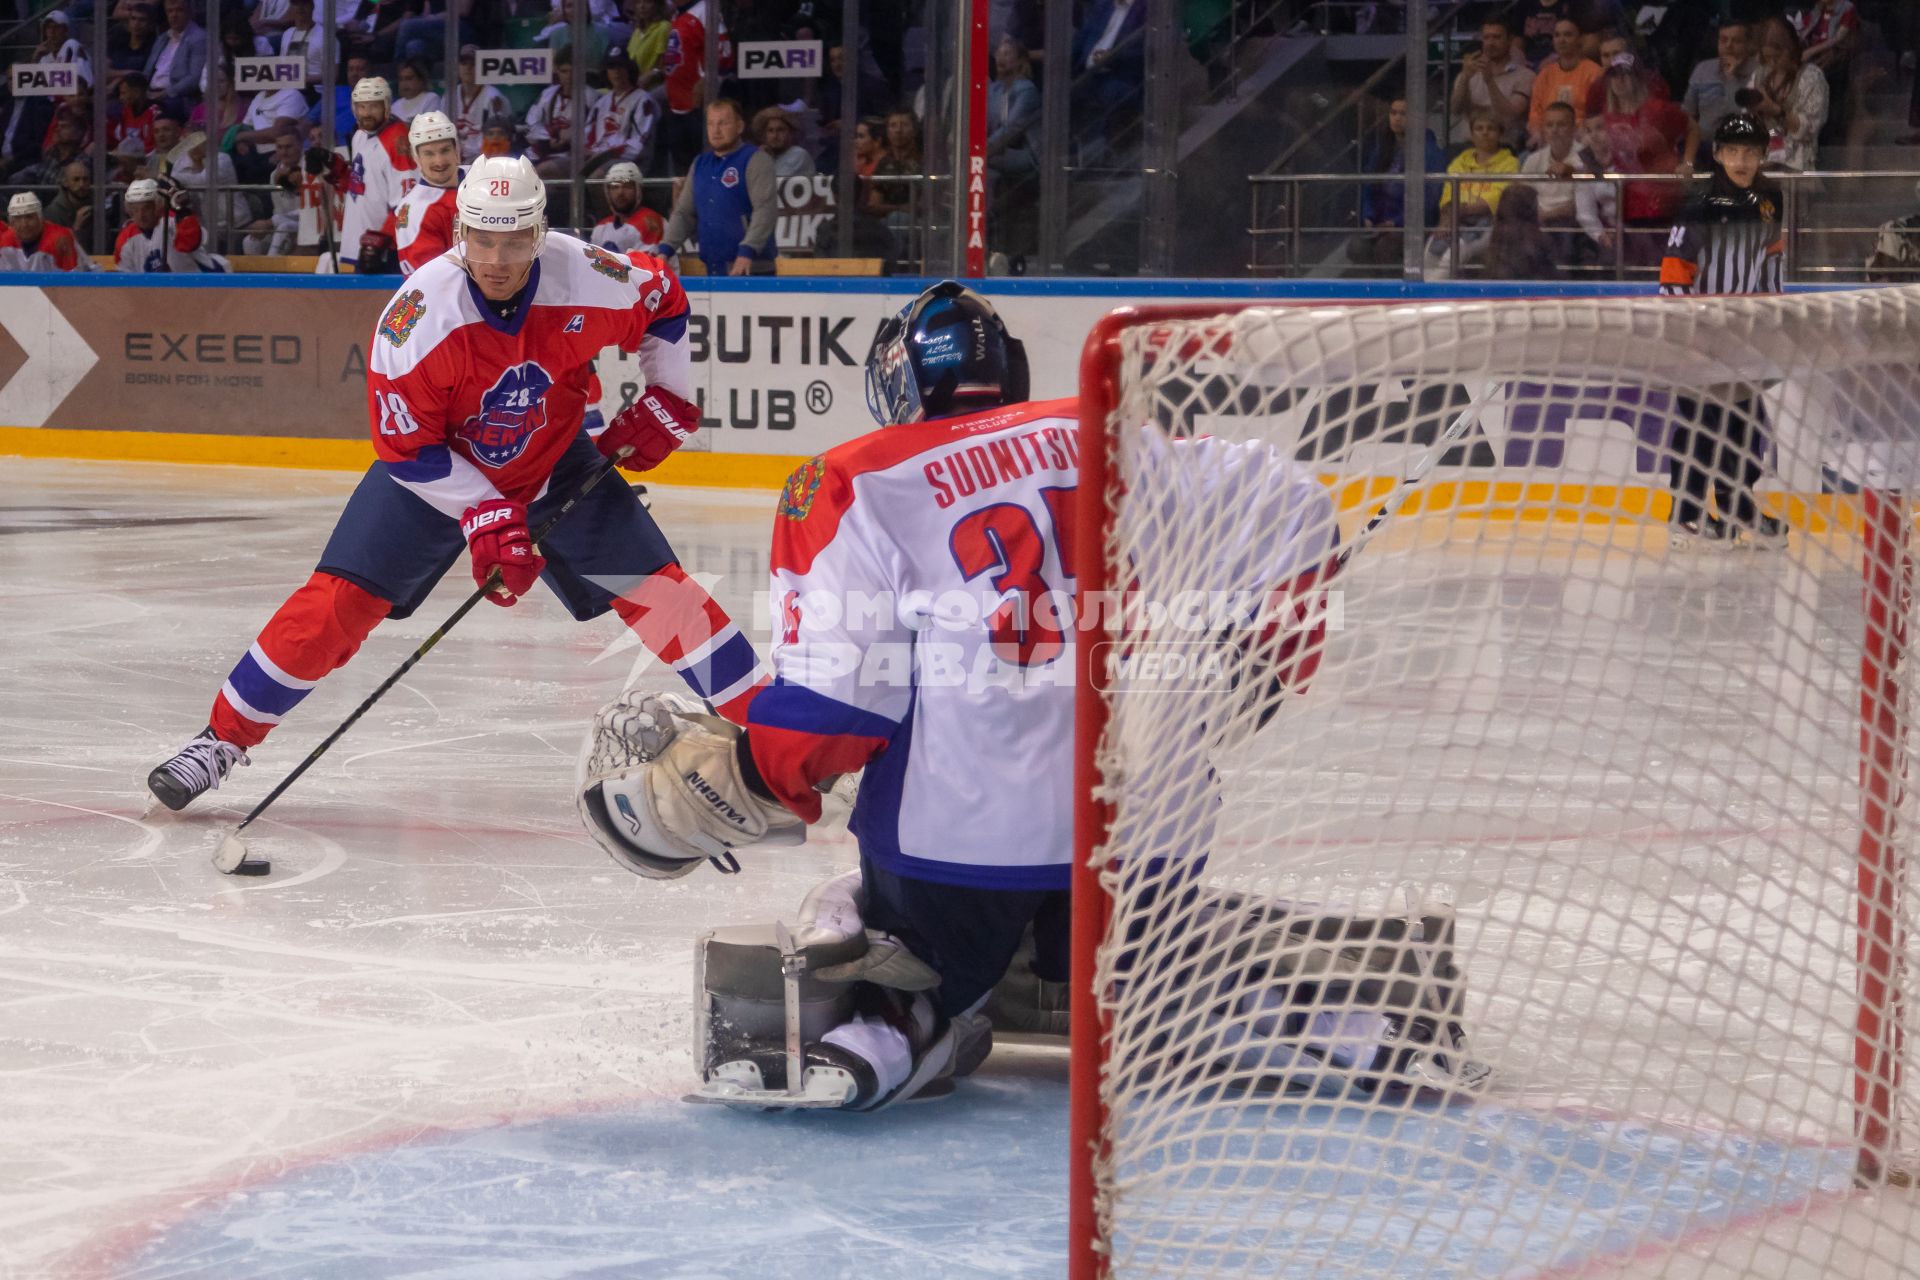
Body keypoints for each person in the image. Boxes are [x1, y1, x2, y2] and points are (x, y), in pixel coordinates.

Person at [574, 282, 1349, 1112]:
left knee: (886, 932)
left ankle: (895, 1022)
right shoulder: (1122, 436)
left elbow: (841, 714)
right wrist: (1262, 661)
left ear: (895, 381)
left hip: (964, 849)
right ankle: (1198, 1003)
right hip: (1145, 837)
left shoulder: (849, 480)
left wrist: (760, 776)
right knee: (1128, 915)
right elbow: (1295, 502)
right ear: (1008, 371)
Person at [146, 156, 761, 813]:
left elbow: (664, 298)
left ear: (541, 233)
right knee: (335, 604)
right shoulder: (415, 322)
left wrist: (671, 396)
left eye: (517, 240)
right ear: (461, 234)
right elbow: (406, 449)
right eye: (483, 239)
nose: (498, 258)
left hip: (555, 460)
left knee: (665, 597)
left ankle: (777, 734)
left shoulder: (588, 275)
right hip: (439, 473)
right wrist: (484, 514)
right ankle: (221, 739)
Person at [1658, 112, 1785, 548]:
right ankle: (1685, 514)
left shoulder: (1770, 201)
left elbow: (1771, 267)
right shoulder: (1699, 206)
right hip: (1699, 339)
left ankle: (1734, 505)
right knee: (1701, 426)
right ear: (1717, 155)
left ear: (1763, 156)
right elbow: (1674, 275)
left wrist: (1771, 324)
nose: (1742, 160)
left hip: (1743, 340)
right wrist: (1689, 335)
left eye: (1750, 152)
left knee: (1748, 430)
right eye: (1733, 151)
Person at [660, 98, 775, 276]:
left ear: (739, 127)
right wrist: (665, 250)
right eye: (711, 124)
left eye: (723, 123)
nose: (716, 130)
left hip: (752, 268)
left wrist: (747, 251)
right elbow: (684, 213)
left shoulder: (755, 159)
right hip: (713, 268)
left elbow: (765, 210)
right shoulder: (700, 164)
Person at [325, 76, 415, 273]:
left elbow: (407, 203)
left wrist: (381, 240)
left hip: (386, 248)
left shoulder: (399, 142)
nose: (366, 113)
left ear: (386, 106)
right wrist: (334, 168)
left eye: (373, 106)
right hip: (361, 242)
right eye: (361, 106)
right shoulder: (360, 135)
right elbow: (360, 186)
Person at [1354, 95, 1443, 268]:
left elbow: (1430, 199)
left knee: (1385, 248)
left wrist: (1397, 222)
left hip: (1411, 224)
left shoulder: (1429, 151)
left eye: (1403, 113)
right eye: (1393, 112)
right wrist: (1367, 215)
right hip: (1380, 221)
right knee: (1356, 247)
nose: (1397, 118)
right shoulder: (1383, 146)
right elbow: (1367, 184)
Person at [1745, 17, 1826, 172]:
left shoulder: (1811, 77)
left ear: (1791, 49)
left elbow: (1809, 130)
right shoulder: (1760, 74)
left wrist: (1776, 110)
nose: (1773, 63)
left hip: (1796, 164)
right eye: (1768, 57)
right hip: (1764, 159)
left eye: (1777, 57)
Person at [1448, 16, 1534, 151]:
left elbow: (1509, 116)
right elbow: (1455, 110)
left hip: (1504, 148)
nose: (1490, 43)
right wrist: (1464, 78)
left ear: (1510, 40)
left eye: (1496, 37)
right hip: (1468, 147)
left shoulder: (1525, 76)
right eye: (1486, 37)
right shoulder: (1469, 72)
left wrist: (1489, 81)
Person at [392, 109, 460, 274]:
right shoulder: (414, 209)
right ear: (417, 158)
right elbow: (430, 278)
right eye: (429, 153)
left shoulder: (482, 179)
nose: (439, 161)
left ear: (456, 150)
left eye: (445, 150)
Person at [114, 175, 227, 271]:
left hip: (209, 283)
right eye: (135, 210)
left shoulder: (174, 220)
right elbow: (125, 280)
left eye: (146, 208)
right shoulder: (126, 238)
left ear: (157, 206)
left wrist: (181, 209)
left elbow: (189, 243)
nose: (141, 215)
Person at [581, 48, 659, 177]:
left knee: (595, 178)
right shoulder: (602, 102)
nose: (616, 72)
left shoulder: (643, 100)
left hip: (630, 160)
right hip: (598, 156)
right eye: (611, 67)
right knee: (564, 170)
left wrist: (606, 154)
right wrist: (586, 150)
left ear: (629, 69)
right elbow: (588, 134)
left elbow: (639, 145)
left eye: (621, 67)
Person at [1682, 22, 1756, 152]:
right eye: (1723, 40)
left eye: (1736, 41)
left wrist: (1731, 79)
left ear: (1748, 45)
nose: (1728, 46)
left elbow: (1744, 115)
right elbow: (1687, 113)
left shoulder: (1757, 72)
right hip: (1704, 146)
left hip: (1744, 146)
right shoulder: (1703, 69)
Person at [1526, 17, 1599, 145]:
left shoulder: (1594, 72)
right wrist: (1537, 133)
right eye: (1557, 35)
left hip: (1582, 139)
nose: (1562, 40)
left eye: (1568, 35)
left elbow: (1597, 114)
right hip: (1548, 138)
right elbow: (1535, 114)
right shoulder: (1545, 74)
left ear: (1580, 39)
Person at [448, 45, 509, 162]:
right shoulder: (450, 96)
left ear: (482, 67)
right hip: (455, 157)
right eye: (464, 63)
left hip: (483, 158)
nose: (468, 68)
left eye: (473, 64)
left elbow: (498, 138)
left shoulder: (493, 97)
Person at [145, 0, 208, 109]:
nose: (174, 15)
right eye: (170, 11)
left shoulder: (199, 38)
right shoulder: (163, 38)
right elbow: (147, 71)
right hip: (151, 93)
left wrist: (167, 92)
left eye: (179, 10)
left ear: (189, 12)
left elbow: (194, 78)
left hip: (177, 97)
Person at [592, 160, 665, 254]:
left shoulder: (649, 221)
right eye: (615, 187)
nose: (620, 192)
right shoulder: (600, 228)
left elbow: (645, 266)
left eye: (627, 186)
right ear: (607, 192)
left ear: (638, 190)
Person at [526, 47, 577, 179]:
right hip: (541, 151)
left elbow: (591, 132)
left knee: (541, 172)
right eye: (564, 71)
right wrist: (553, 135)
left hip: (571, 155)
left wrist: (569, 137)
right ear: (557, 71)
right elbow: (531, 124)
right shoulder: (547, 94)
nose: (569, 76)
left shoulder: (591, 97)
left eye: (573, 71)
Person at [0, 192, 85, 271]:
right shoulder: (5, 242)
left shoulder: (61, 239)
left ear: (40, 218)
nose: (24, 224)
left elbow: (74, 280)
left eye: (29, 217)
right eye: (18, 218)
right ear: (11, 222)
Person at [752, 104, 814, 180]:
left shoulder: (799, 154)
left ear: (790, 133)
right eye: (770, 131)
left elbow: (776, 183)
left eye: (780, 130)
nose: (775, 136)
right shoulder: (764, 154)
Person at [44, 159, 94, 236]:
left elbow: (107, 242)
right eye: (76, 180)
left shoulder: (96, 208)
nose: (81, 184)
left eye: (85, 179)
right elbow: (54, 245)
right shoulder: (53, 212)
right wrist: (76, 229)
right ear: (65, 182)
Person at [391, 57, 442, 123]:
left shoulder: (431, 99)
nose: (404, 83)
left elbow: (429, 127)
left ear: (421, 80)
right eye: (401, 79)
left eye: (409, 78)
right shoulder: (395, 105)